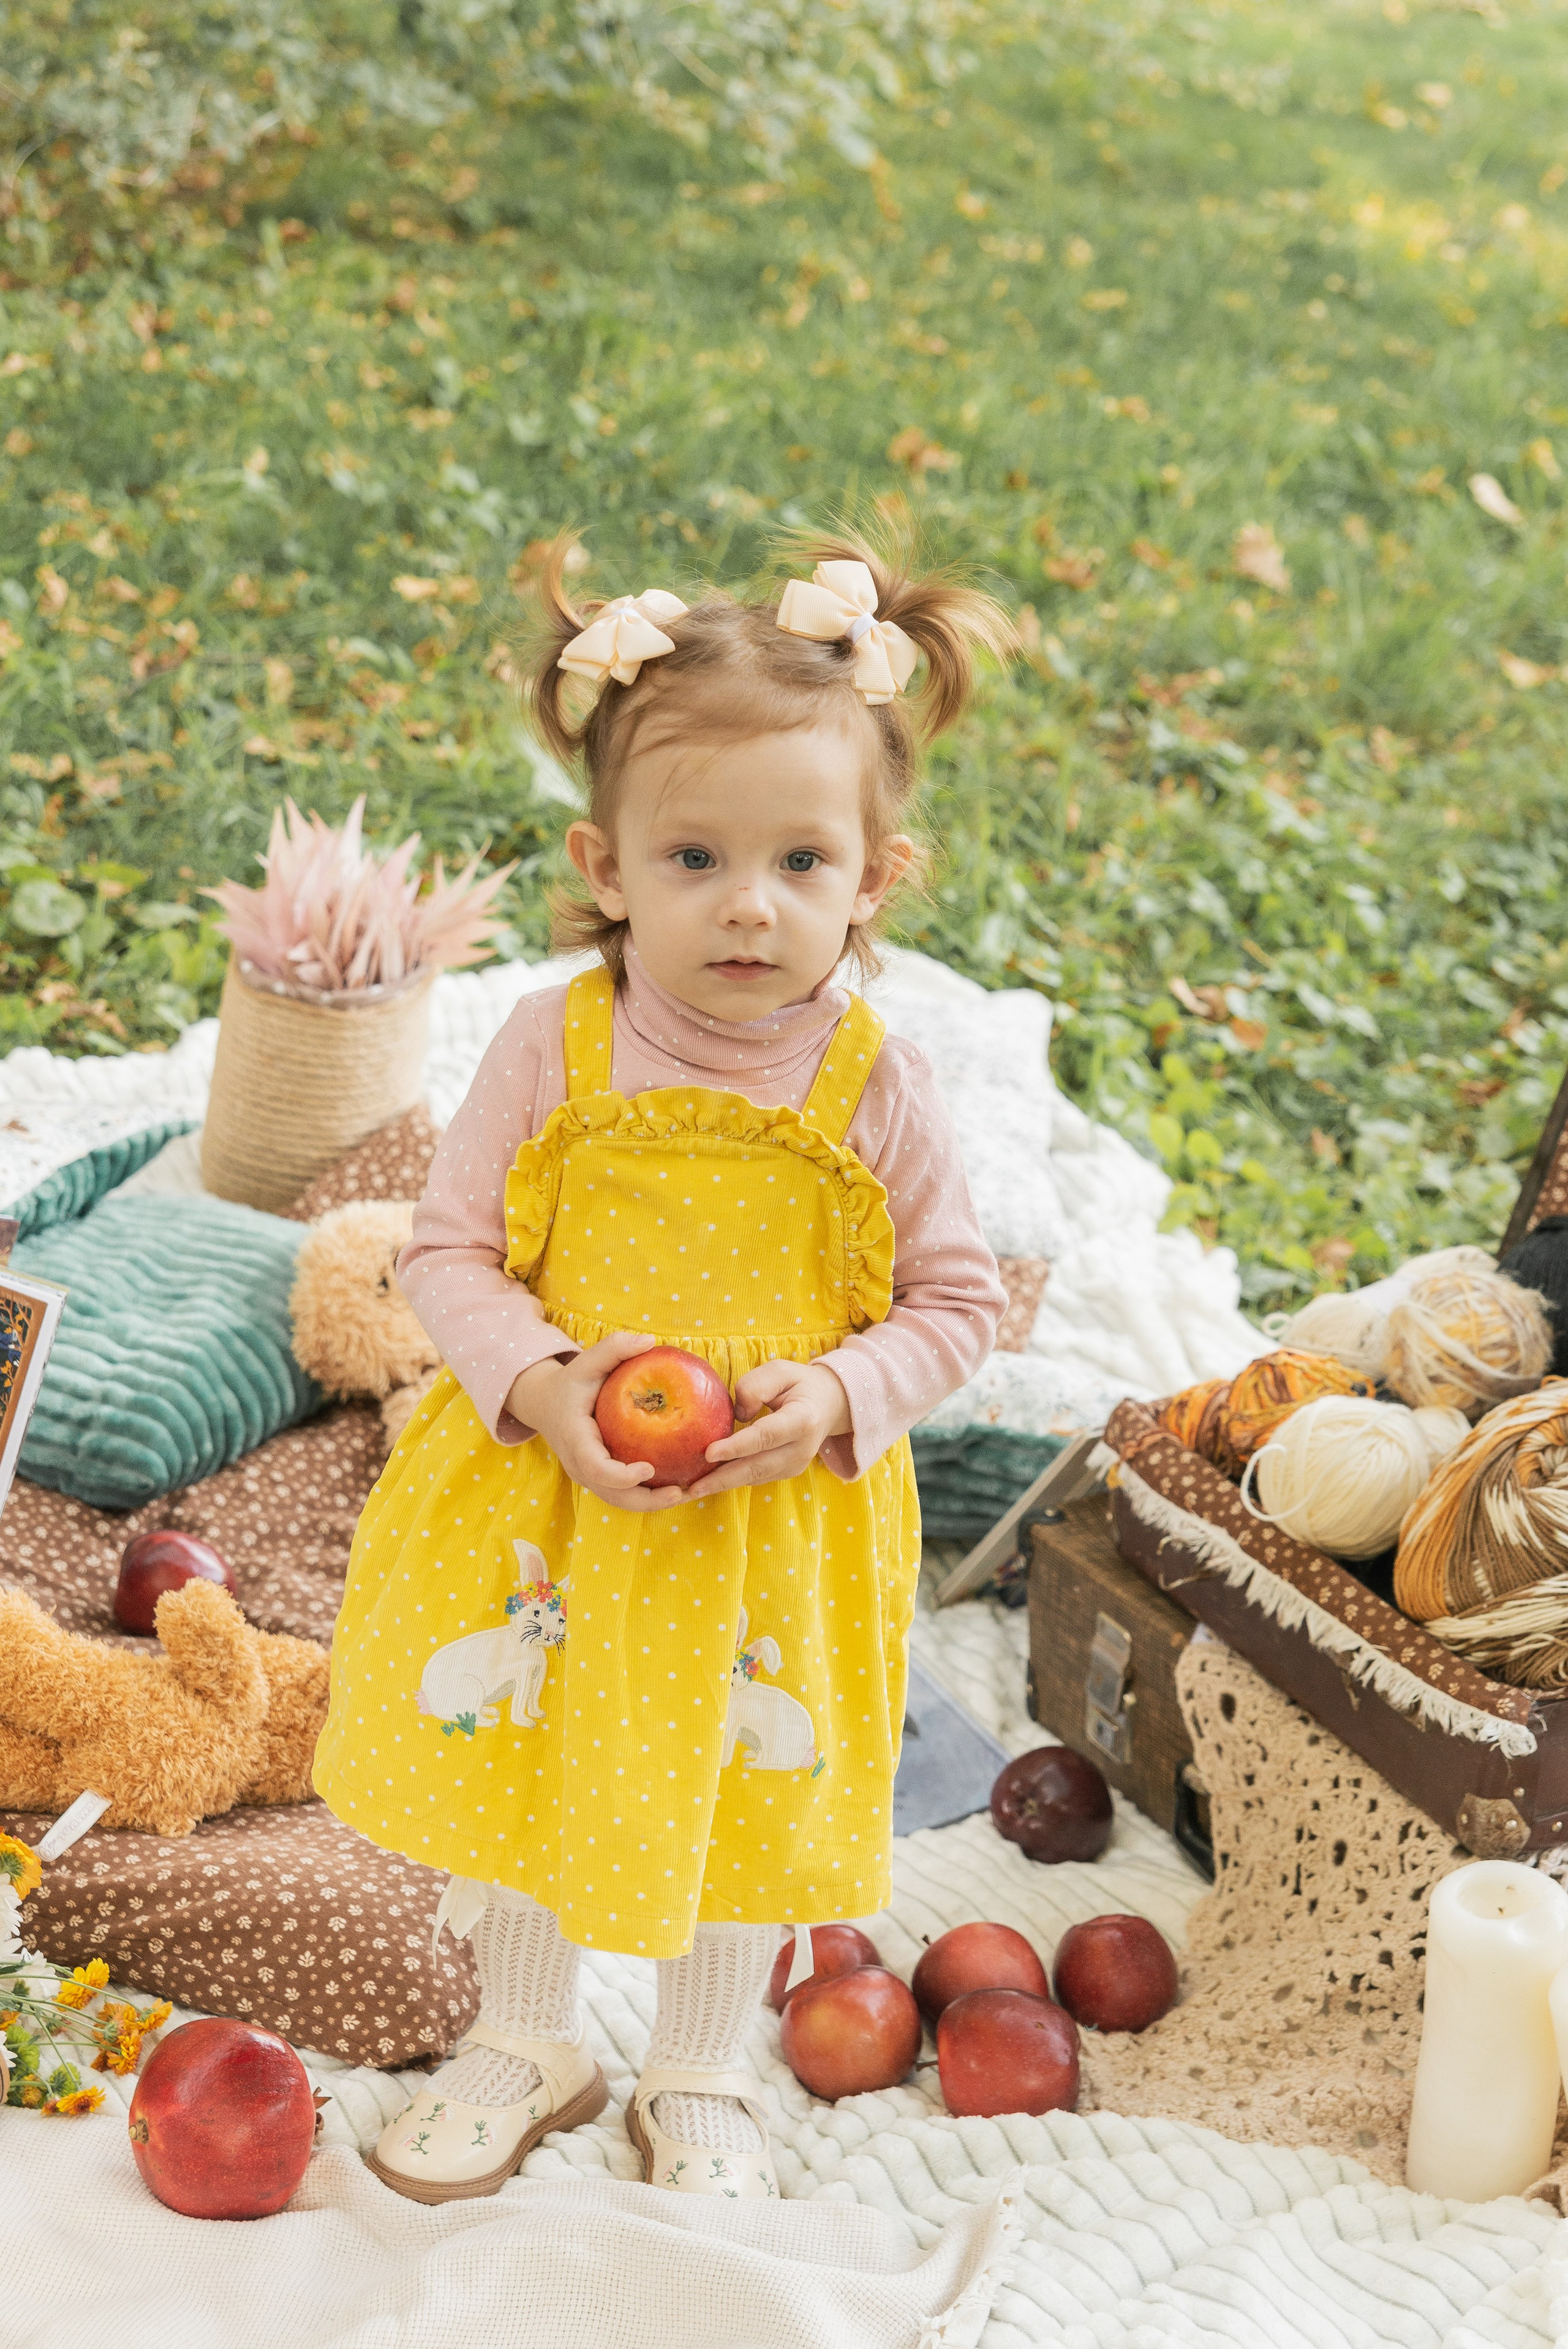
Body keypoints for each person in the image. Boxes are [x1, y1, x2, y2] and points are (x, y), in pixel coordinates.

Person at [312, 529, 1012, 2203]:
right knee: (543, 1762)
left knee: (737, 1783)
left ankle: (699, 2061)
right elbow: (448, 1252)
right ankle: (531, 2032)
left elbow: (962, 1298)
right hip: (563, 1500)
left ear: (873, 876)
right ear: (607, 862)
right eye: (695, 855)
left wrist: (842, 1394)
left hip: (770, 1525)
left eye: (800, 861)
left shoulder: (874, 1084)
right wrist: (545, 1382)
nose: (749, 903)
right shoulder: (549, 1040)